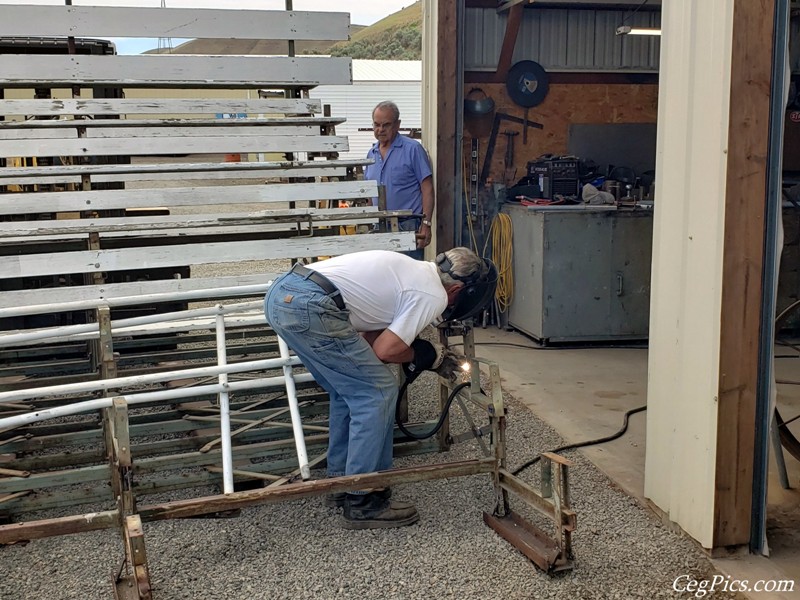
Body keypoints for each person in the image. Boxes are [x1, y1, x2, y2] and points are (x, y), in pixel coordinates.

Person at [264, 248, 495, 530]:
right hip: (309, 305)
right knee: (378, 392)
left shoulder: (412, 270)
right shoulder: (433, 294)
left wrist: (420, 353)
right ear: (457, 289)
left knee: (349, 390)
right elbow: (386, 350)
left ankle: (341, 482)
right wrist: (425, 355)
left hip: (283, 295)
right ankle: (364, 499)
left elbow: (370, 339)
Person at [365, 101, 435, 260]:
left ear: (397, 125)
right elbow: (369, 191)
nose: (380, 130)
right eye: (376, 125)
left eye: (386, 125)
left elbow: (427, 189)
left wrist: (426, 224)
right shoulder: (371, 154)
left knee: (408, 278)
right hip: (379, 227)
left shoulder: (413, 149)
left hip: (408, 227)